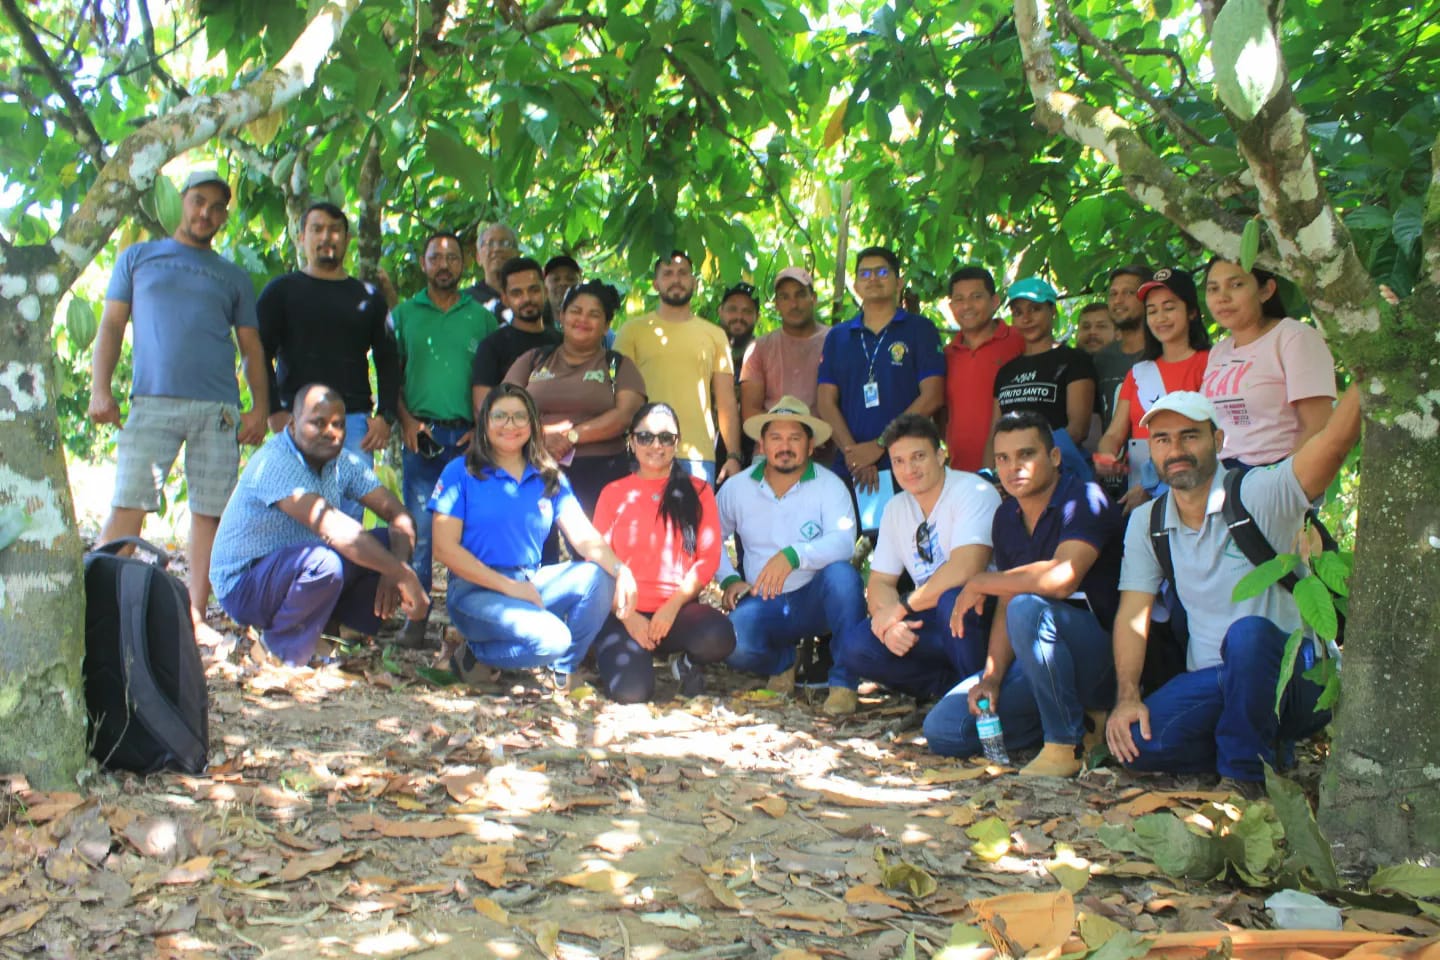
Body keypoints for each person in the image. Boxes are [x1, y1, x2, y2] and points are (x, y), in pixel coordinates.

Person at [1107, 388, 1361, 792]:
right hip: (1217, 681)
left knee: (1248, 634)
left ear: (1219, 440)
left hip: (1294, 679)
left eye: (1190, 436)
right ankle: (1261, 747)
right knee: (1134, 743)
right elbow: (1132, 614)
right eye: (1162, 439)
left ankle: (1243, 779)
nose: (1176, 450)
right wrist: (1127, 697)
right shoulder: (1147, 521)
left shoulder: (1257, 493)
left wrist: (1368, 380)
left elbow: (1331, 446)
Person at [88, 169, 270, 645]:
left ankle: (194, 617)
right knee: (129, 502)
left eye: (217, 207)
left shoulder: (232, 275)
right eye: (198, 201)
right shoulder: (138, 257)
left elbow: (251, 348)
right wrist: (99, 389)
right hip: (152, 402)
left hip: (218, 409)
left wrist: (260, 408)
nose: (206, 212)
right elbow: (111, 326)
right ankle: (95, 607)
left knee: (210, 511)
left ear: (224, 217)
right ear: (181, 201)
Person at [922, 412, 1123, 775]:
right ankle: (1078, 723)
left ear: (1055, 457)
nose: (1013, 467)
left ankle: (1066, 743)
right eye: (1003, 458)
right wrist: (992, 677)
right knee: (944, 728)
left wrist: (980, 581)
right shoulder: (1006, 517)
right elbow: (1006, 600)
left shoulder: (1085, 498)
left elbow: (1063, 577)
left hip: (1101, 657)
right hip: (1041, 663)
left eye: (1026, 454)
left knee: (1029, 608)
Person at [431, 384, 638, 690]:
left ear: (532, 424)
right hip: (474, 592)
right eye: (500, 416)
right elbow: (444, 549)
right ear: (485, 422)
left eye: (519, 416)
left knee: (599, 577)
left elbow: (584, 536)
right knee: (554, 639)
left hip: (530, 582)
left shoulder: (548, 476)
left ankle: (562, 670)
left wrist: (622, 570)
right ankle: (474, 654)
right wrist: (509, 587)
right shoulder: (460, 472)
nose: (510, 425)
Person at [210, 384, 428, 666]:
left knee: (389, 542)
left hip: (295, 571)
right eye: (318, 423)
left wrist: (397, 564)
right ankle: (278, 649)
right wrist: (401, 573)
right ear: (292, 425)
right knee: (325, 562)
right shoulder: (275, 462)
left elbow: (398, 514)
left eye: (338, 424)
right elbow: (332, 528)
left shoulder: (341, 462)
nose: (330, 432)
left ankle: (337, 630)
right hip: (244, 585)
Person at [833, 414, 1001, 711]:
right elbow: (881, 581)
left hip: (979, 617)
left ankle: (980, 694)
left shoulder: (973, 491)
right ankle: (950, 693)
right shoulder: (896, 508)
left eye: (918, 457)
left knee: (952, 600)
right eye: (898, 461)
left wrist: (901, 608)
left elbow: (965, 569)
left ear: (940, 455)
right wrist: (889, 625)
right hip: (927, 614)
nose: (909, 469)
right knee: (856, 647)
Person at [716, 397, 867, 715]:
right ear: (762, 445)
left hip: (816, 598)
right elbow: (710, 538)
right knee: (732, 643)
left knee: (844, 578)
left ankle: (844, 683)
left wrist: (794, 555)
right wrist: (729, 579)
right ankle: (783, 663)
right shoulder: (737, 488)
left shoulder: (830, 485)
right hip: (764, 600)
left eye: (795, 438)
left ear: (811, 446)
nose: (785, 446)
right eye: (776, 438)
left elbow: (843, 542)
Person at [391, 231, 499, 648]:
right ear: (423, 263)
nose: (444, 265)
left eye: (452, 257)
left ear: (463, 265)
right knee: (420, 532)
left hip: (468, 439)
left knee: (466, 534)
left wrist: (483, 430)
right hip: (422, 436)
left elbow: (494, 379)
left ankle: (461, 622)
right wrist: (405, 420)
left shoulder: (481, 317)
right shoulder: (405, 314)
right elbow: (390, 375)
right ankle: (416, 618)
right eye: (435, 257)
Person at [258, 201, 398, 521]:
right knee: (294, 515)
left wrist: (386, 416)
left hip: (353, 423)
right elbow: (258, 354)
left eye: (335, 230)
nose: (326, 237)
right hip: (296, 421)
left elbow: (389, 359)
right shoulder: (280, 291)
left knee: (348, 516)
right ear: (301, 237)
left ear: (347, 239)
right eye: (317, 229)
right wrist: (273, 410)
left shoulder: (368, 297)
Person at [591, 404, 736, 702]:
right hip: (623, 612)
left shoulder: (698, 491)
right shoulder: (613, 493)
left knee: (719, 635)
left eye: (665, 438)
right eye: (645, 437)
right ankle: (619, 655)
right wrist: (628, 617)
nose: (656, 445)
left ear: (677, 443)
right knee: (631, 693)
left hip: (676, 610)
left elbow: (708, 559)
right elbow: (597, 560)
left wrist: (672, 606)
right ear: (632, 442)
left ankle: (684, 663)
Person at [503, 280, 646, 514]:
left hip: (601, 472)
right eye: (576, 311)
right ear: (561, 316)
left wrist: (571, 436)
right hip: (533, 466)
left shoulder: (618, 365)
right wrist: (540, 437)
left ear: (606, 325)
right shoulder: (534, 359)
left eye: (593, 315)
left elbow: (626, 416)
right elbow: (501, 407)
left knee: (593, 537)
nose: (583, 319)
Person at [815, 246, 945, 495]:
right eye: (864, 274)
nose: (873, 278)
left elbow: (933, 395)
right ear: (856, 285)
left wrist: (880, 445)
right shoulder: (838, 337)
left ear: (899, 282)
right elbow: (825, 401)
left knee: (909, 521)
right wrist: (855, 455)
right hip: (851, 467)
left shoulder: (920, 329)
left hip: (909, 463)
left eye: (882, 272)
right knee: (845, 521)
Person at [613, 251, 743, 484]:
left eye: (683, 273)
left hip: (697, 456)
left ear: (694, 282)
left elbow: (726, 401)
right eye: (668, 273)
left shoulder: (715, 335)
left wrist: (733, 455)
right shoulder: (632, 331)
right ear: (655, 283)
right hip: (645, 450)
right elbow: (619, 395)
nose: (676, 279)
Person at [1094, 267, 1212, 509]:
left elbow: (1210, 437)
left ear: (1191, 312)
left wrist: (1152, 485)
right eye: (1152, 311)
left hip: (1192, 488)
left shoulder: (1210, 363)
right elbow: (1114, 434)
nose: (1160, 318)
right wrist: (1106, 455)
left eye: (1169, 308)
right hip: (1138, 490)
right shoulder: (1138, 372)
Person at [1201, 259, 1336, 467]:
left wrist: (1280, 478)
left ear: (1266, 290)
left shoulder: (1294, 337)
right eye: (1213, 289)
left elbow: (1319, 426)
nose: (1222, 297)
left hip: (1276, 469)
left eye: (1236, 285)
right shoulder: (1219, 351)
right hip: (1222, 475)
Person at [990, 277, 1096, 481]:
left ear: (1053, 310)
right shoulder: (1006, 371)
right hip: (1013, 477)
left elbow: (1078, 429)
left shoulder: (1074, 360)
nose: (1026, 318)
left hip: (1062, 475)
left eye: (1035, 309)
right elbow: (995, 433)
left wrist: (1031, 460)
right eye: (1018, 313)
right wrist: (991, 475)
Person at [942, 266, 1025, 472]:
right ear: (951, 306)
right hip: (961, 471)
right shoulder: (946, 355)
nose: (967, 306)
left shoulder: (1019, 340)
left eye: (976, 297)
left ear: (994, 301)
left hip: (1014, 468)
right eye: (959, 299)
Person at [471, 256, 562, 412]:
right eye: (517, 293)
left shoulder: (563, 343)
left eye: (534, 290)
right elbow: (482, 409)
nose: (527, 299)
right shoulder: (492, 347)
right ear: (505, 299)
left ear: (545, 292)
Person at [739, 267, 830, 421]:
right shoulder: (759, 348)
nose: (793, 304)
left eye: (800, 295)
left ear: (813, 298)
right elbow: (750, 412)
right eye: (784, 297)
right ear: (776, 304)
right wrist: (789, 429)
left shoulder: (835, 341)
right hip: (773, 433)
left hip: (826, 434)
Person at [1093, 264, 1151, 429]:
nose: (1118, 301)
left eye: (1128, 293)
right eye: (1113, 294)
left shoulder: (1165, 353)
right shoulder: (1101, 359)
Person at [717, 281, 761, 464]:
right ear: (720, 311)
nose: (739, 317)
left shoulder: (764, 354)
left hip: (754, 449)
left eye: (747, 311)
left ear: (757, 316)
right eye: (732, 309)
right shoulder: (705, 351)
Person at [465, 222, 519, 316]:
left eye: (505, 243)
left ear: (517, 255)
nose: (497, 249)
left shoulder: (528, 295)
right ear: (478, 257)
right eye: (490, 243)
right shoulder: (466, 301)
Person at [543, 254, 582, 328]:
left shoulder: (594, 326)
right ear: (544, 288)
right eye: (556, 279)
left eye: (570, 279)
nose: (563, 283)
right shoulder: (532, 325)